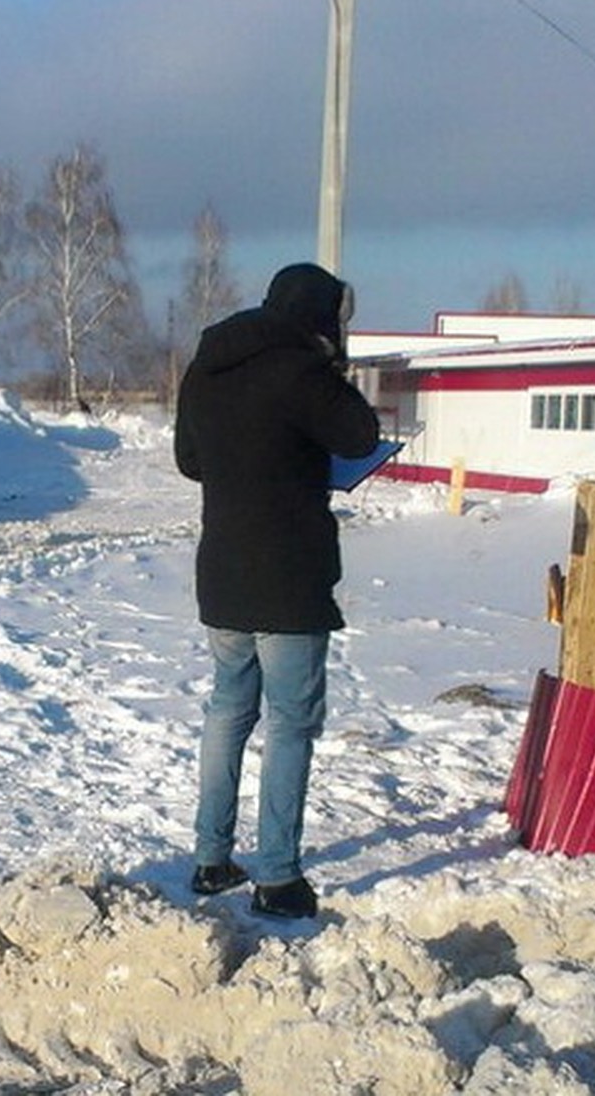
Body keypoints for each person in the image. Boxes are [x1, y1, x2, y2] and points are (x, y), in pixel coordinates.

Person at [174, 262, 379, 918]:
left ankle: (210, 860)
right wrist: (329, 372)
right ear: (319, 317)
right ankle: (279, 877)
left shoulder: (207, 365)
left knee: (228, 712)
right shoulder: (301, 370)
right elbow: (360, 436)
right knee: (290, 723)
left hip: (224, 575)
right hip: (289, 578)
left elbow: (189, 461)